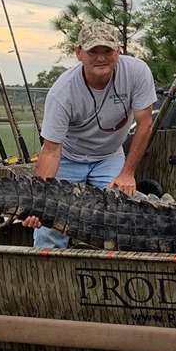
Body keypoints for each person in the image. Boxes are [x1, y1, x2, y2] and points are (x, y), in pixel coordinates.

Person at [24, 21, 157, 247]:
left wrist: (128, 173)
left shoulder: (137, 72)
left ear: (118, 51)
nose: (101, 58)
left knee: (121, 213)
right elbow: (51, 150)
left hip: (109, 155)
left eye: (107, 50)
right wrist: (39, 200)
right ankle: (48, 277)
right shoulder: (62, 92)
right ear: (78, 53)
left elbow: (144, 123)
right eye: (93, 51)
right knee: (50, 222)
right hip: (68, 156)